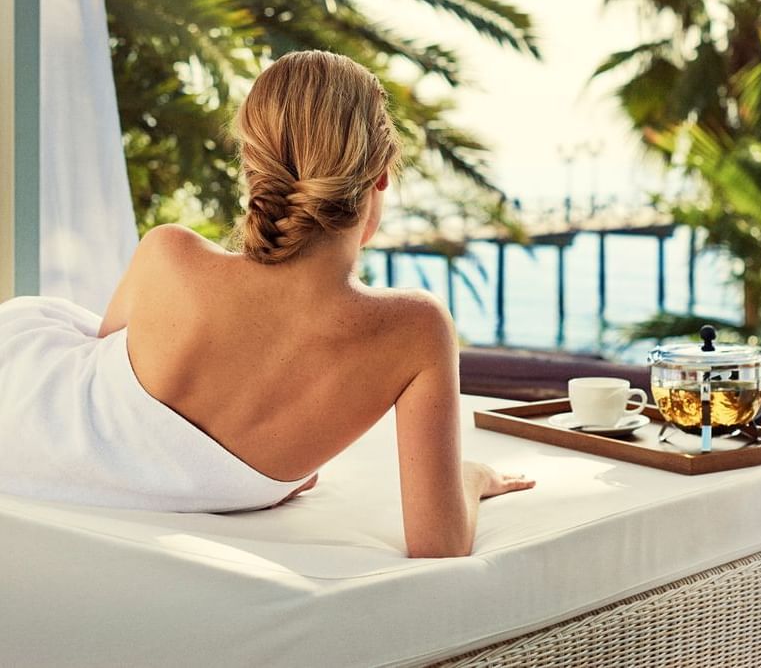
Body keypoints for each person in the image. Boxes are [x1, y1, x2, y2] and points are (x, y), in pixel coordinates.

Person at [0, 50, 533, 556]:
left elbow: (105, 401)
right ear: (380, 178)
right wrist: (470, 476)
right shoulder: (416, 330)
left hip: (22, 405)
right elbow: (438, 545)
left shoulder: (170, 255)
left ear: (253, 169)